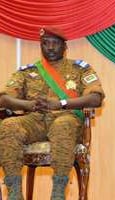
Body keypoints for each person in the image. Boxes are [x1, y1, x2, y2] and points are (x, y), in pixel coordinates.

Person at [0, 27, 105, 200]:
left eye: (55, 43)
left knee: (62, 125)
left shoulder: (80, 69)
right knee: (9, 125)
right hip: (35, 120)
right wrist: (29, 105)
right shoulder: (27, 72)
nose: (50, 47)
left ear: (65, 47)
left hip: (67, 118)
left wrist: (60, 104)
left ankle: (58, 192)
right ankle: (14, 192)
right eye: (45, 43)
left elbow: (96, 98)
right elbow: (4, 99)